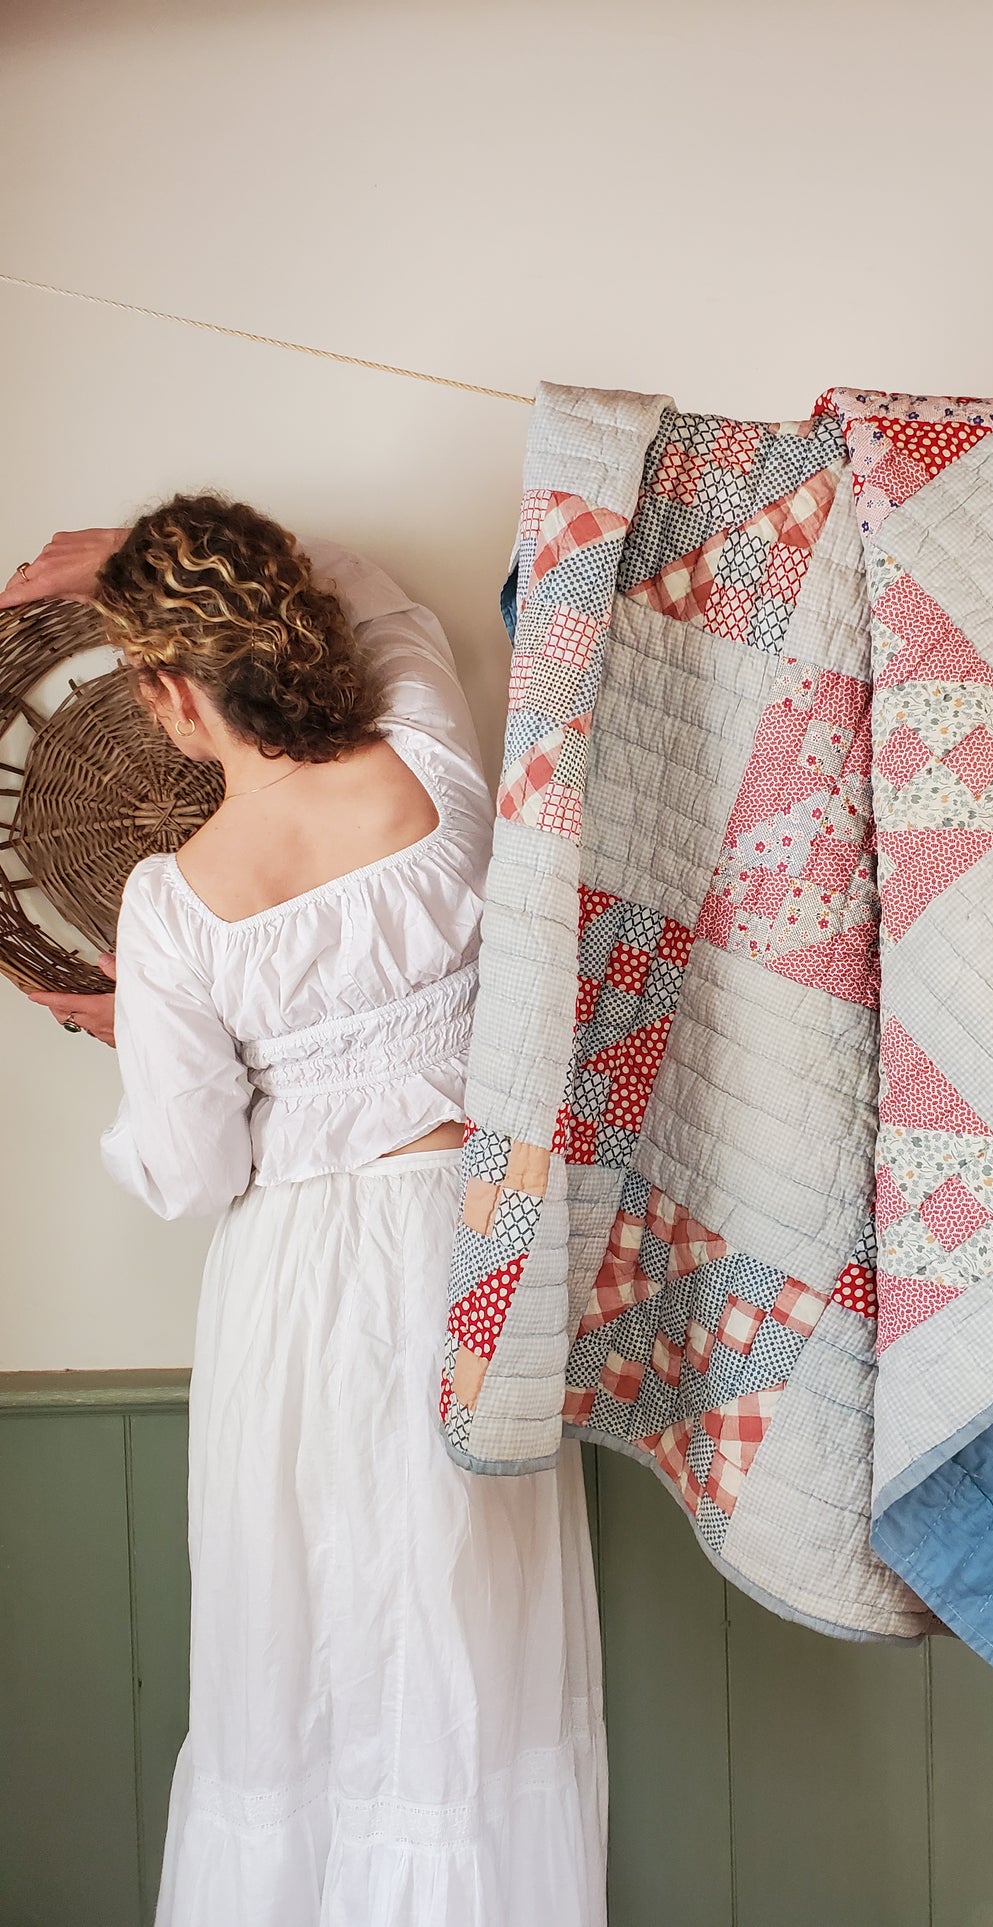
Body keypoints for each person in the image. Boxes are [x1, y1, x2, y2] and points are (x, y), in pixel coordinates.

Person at [0, 505, 606, 1926]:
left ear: (164, 686)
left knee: (299, 1653)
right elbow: (379, 595)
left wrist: (131, 1044)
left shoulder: (176, 904)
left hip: (298, 1278)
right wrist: (131, 554)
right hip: (473, 1251)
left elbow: (184, 1168)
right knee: (469, 1654)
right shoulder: (434, 765)